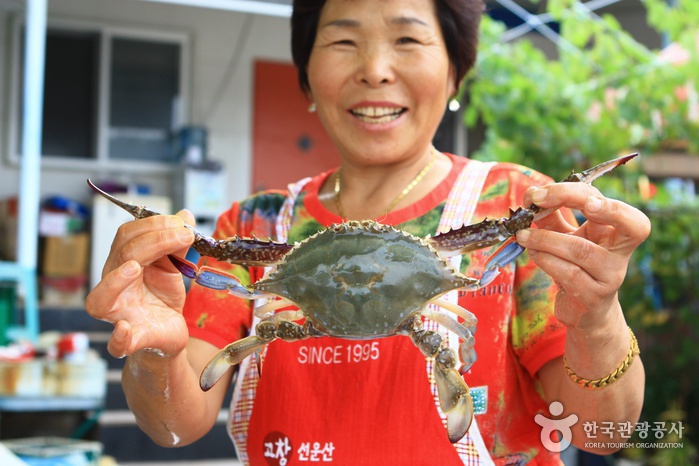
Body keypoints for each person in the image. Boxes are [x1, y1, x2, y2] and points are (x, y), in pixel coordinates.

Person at [85, 0, 651, 464]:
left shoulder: (523, 211)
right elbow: (175, 429)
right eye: (343, 40)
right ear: (305, 76)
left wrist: (597, 322)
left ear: (456, 69)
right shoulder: (253, 227)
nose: (375, 68)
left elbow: (601, 435)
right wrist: (156, 352)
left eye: (408, 39)